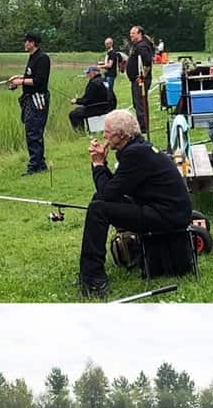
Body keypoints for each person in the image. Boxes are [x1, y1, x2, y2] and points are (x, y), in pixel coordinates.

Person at [78, 110, 192, 298]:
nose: (104, 136)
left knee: (98, 210)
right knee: (97, 201)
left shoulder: (135, 154)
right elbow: (111, 190)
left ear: (120, 135)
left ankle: (93, 280)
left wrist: (98, 165)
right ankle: (88, 273)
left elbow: (108, 193)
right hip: (161, 207)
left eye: (107, 132)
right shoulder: (136, 149)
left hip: (168, 215)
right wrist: (103, 163)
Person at [9, 32, 51, 175]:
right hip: (29, 98)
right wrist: (18, 79)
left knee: (34, 131)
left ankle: (34, 166)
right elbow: (30, 76)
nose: (25, 44)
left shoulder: (42, 58)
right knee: (31, 131)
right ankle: (40, 164)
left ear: (32, 43)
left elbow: (39, 81)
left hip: (38, 99)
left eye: (26, 41)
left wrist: (20, 81)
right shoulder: (33, 57)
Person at [126, 26, 155, 134]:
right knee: (137, 103)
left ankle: (143, 128)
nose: (131, 35)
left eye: (133, 33)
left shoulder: (142, 46)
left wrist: (143, 76)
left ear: (139, 34)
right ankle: (142, 125)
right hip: (136, 80)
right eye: (130, 34)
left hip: (140, 80)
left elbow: (147, 62)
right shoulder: (137, 45)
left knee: (140, 104)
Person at [69, 66, 113, 130]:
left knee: (73, 114)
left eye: (88, 73)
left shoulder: (93, 83)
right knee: (77, 110)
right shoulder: (105, 80)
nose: (87, 75)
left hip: (97, 108)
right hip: (107, 107)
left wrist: (76, 101)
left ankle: (80, 133)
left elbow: (86, 101)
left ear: (93, 73)